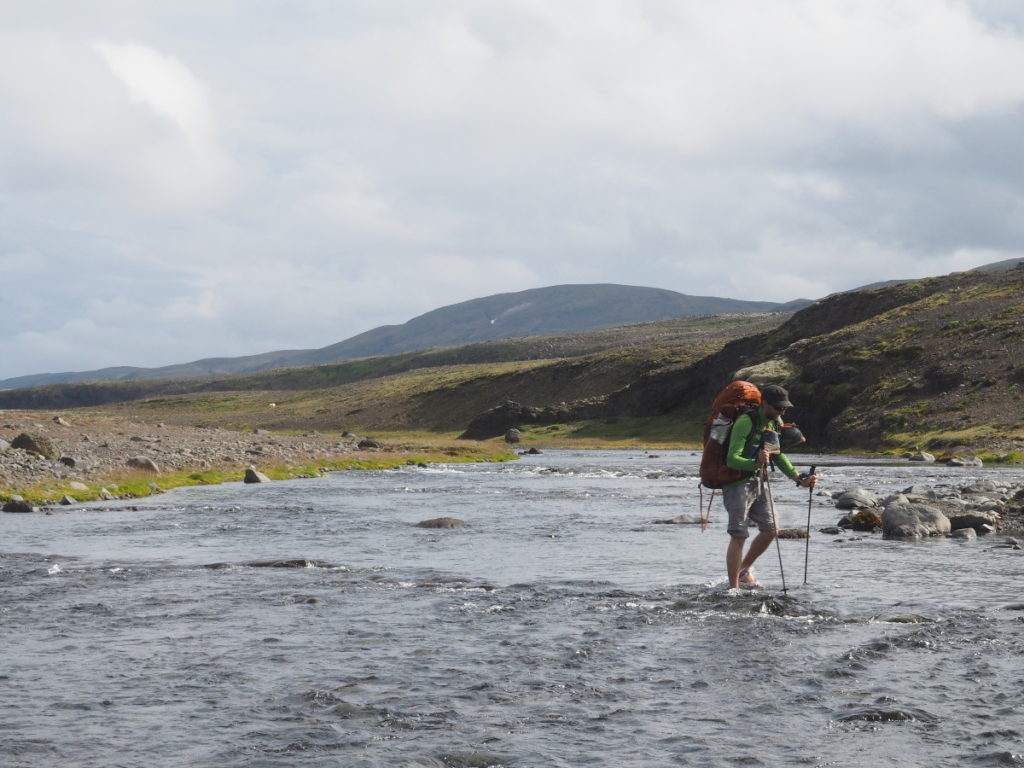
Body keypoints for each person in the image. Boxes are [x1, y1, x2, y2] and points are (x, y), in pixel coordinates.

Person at [723, 384, 816, 589]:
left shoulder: (775, 423)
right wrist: (754, 463)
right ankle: (733, 588)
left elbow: (777, 454)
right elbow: (731, 459)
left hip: (758, 481)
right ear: (764, 403)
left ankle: (743, 569)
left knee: (771, 529)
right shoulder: (746, 422)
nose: (781, 412)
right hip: (736, 484)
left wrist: (799, 478)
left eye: (784, 408)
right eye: (777, 408)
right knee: (739, 534)